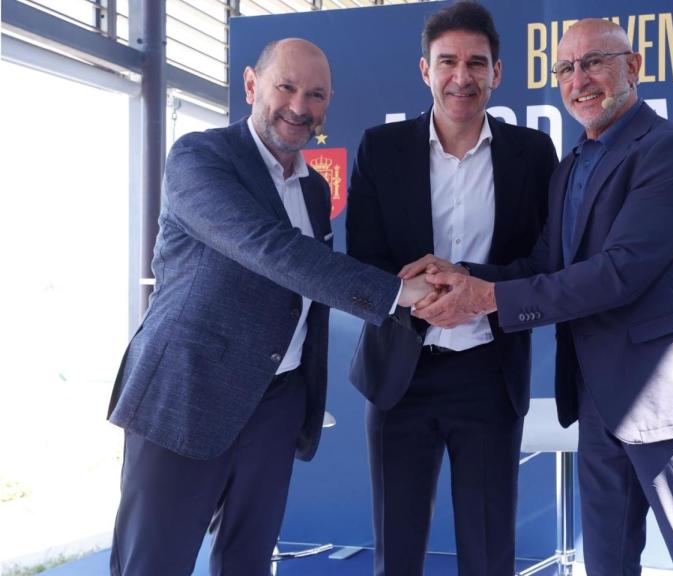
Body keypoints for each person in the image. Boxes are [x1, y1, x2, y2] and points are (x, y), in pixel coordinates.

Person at [405, 18, 673, 576]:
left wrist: (486, 298)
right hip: (596, 399)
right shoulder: (571, 166)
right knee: (607, 563)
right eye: (565, 68)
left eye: (595, 62)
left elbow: (619, 274)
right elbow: (546, 265)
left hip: (667, 399)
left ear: (632, 67)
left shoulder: (669, 151)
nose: (578, 79)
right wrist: (459, 277)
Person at [106, 38, 433, 575]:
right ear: (253, 85)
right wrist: (397, 293)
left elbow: (305, 295)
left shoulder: (313, 193)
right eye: (286, 87)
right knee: (153, 563)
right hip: (187, 393)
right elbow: (270, 250)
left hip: (276, 403)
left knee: (249, 560)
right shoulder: (200, 157)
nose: (300, 106)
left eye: (316, 94)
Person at [346, 2, 557, 574]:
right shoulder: (379, 149)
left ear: (498, 73)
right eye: (447, 62)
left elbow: (544, 262)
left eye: (475, 63)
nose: (461, 77)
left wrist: (469, 282)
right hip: (400, 375)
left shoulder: (533, 155)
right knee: (398, 553)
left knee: (490, 556)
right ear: (424, 70)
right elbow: (362, 262)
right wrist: (423, 292)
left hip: (491, 377)